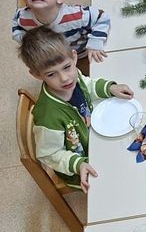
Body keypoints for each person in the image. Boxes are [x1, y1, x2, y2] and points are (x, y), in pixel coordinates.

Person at [18, 26, 133, 192]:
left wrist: (109, 88)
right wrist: (78, 165)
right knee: (121, 184)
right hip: (78, 167)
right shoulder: (48, 115)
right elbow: (49, 154)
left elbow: (88, 85)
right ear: (37, 74)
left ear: (73, 57)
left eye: (66, 67)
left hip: (94, 136)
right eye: (51, 74)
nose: (64, 78)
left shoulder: (74, 76)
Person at [12, 0, 110, 68]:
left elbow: (101, 16)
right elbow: (16, 23)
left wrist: (95, 42)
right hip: (57, 57)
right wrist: (24, 39)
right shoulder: (23, 17)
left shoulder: (75, 15)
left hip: (84, 52)